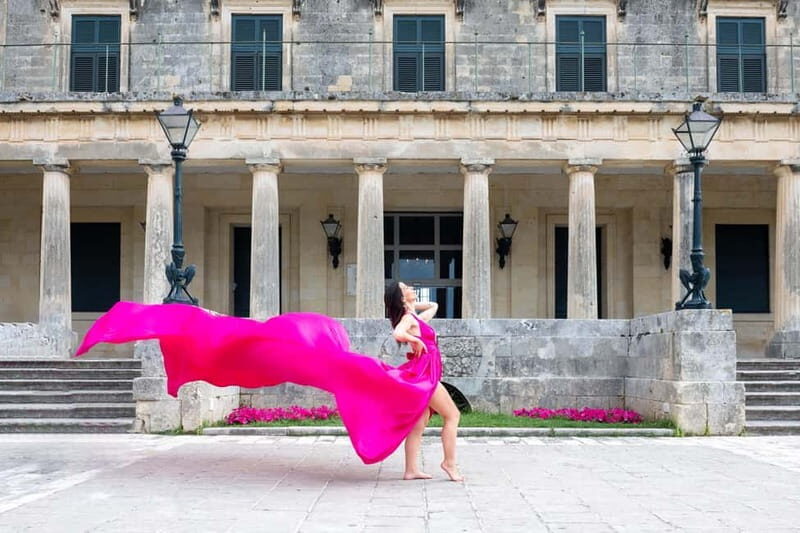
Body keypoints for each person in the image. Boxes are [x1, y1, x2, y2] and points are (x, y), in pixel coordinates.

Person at [384, 281, 463, 482]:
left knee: (418, 424)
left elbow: (434, 305)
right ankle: (449, 463)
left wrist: (410, 304)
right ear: (402, 297)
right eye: (406, 288)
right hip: (424, 376)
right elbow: (398, 333)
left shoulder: (415, 318)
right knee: (453, 415)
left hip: (426, 373)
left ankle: (411, 470)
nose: (411, 287)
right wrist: (415, 340)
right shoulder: (408, 320)